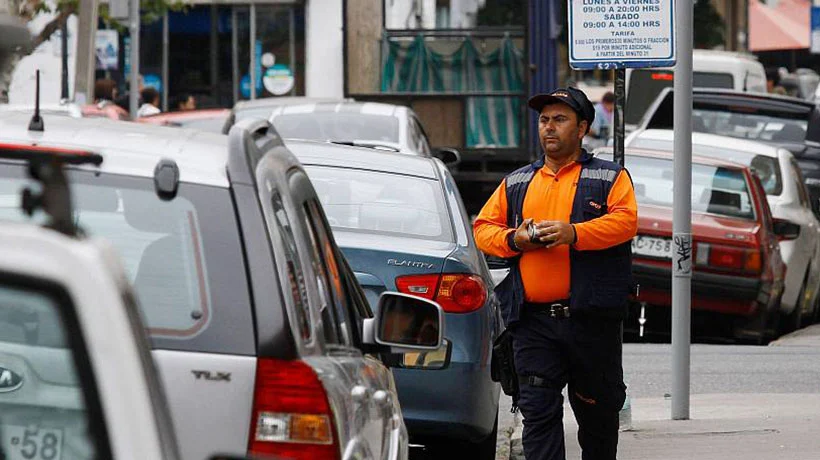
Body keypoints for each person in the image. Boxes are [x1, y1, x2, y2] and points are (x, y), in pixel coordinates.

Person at [473, 87, 638, 460]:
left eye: (560, 120)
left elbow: (626, 223)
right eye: (544, 120)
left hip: (591, 322)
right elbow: (482, 230)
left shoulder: (609, 177)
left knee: (598, 417)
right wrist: (516, 239)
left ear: (582, 128)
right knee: (538, 414)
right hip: (533, 323)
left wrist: (574, 233)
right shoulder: (517, 182)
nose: (549, 128)